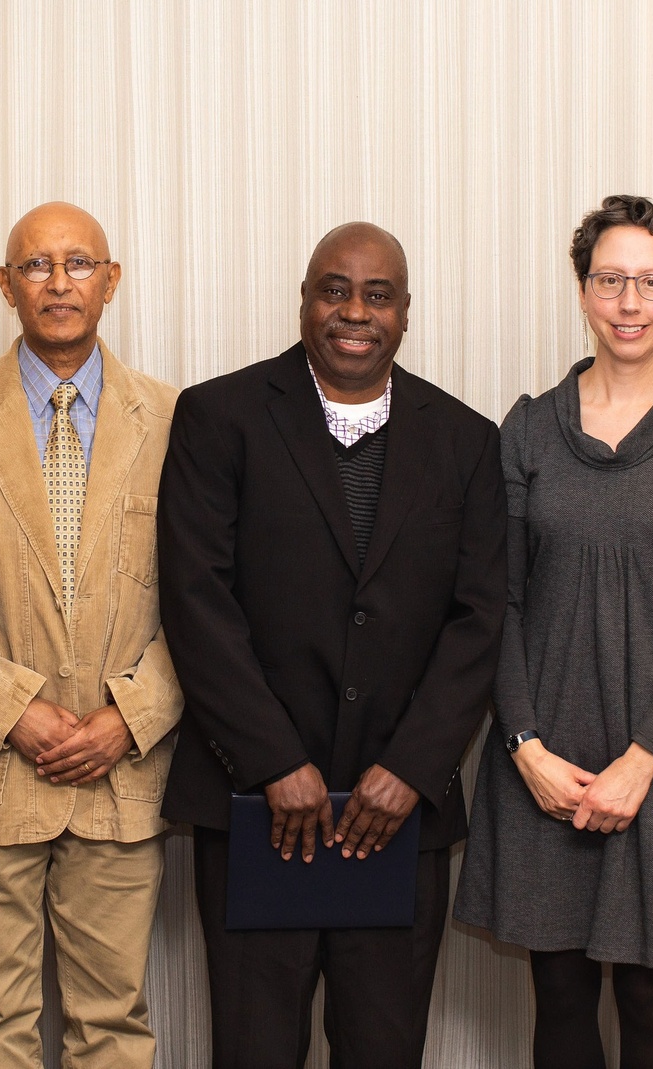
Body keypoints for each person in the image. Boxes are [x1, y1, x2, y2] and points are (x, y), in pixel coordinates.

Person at [158, 221, 505, 1068]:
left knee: (384, 1049)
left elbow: (481, 618)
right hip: (253, 811)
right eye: (335, 290)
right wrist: (274, 760)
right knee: (255, 1049)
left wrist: (413, 769)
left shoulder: (467, 440)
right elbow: (196, 601)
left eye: (377, 294)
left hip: (397, 821)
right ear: (305, 301)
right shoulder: (219, 416)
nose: (355, 311)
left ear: (407, 312)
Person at [452, 195, 653, 1068]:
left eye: (652, 282)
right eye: (611, 280)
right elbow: (497, 604)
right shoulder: (525, 430)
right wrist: (524, 748)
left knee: (651, 999)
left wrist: (642, 759)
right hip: (545, 752)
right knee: (556, 995)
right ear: (584, 291)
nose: (630, 303)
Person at [0, 203, 181, 1067]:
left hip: (123, 778)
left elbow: (214, 604)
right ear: (5, 285)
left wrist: (130, 716)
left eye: (78, 264)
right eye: (35, 266)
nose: (59, 284)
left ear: (112, 280)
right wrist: (11, 710)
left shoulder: (179, 422)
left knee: (114, 1023)